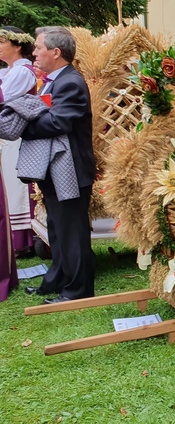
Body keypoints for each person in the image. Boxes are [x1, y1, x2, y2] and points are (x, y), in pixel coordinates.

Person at [23, 26, 96, 303]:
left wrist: (22, 124)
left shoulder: (70, 82)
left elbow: (57, 122)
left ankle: (78, 290)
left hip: (71, 170)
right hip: (57, 169)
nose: (34, 52)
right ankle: (56, 281)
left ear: (56, 52)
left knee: (72, 231)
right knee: (57, 228)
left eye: (39, 48)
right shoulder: (55, 80)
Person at [0, 26, 37, 301]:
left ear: (16, 45)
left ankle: (22, 242)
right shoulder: (10, 71)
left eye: (1, 41)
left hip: (13, 135)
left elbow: (8, 100)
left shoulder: (23, 71)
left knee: (16, 190)